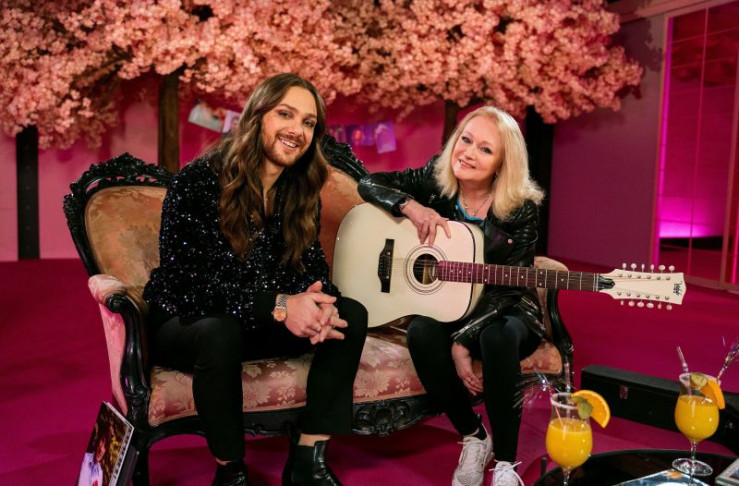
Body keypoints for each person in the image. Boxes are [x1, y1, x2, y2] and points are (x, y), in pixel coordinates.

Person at [143, 73, 368, 486]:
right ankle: (231, 471)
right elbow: (190, 285)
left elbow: (311, 271)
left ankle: (308, 459)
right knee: (219, 332)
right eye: (285, 114)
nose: (297, 130)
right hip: (187, 323)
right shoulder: (198, 180)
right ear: (257, 116)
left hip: (257, 321)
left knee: (348, 315)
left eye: (308, 122)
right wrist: (280, 306)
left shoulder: (299, 189)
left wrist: (318, 304)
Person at [358, 106, 545, 486]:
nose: (469, 153)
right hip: (448, 303)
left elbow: (510, 286)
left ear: (503, 163)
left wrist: (462, 341)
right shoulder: (434, 180)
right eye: (466, 140)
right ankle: (474, 436)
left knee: (496, 337)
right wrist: (410, 206)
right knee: (421, 332)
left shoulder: (520, 208)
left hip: (505, 307)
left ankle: (505, 463)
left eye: (485, 149)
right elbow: (368, 183)